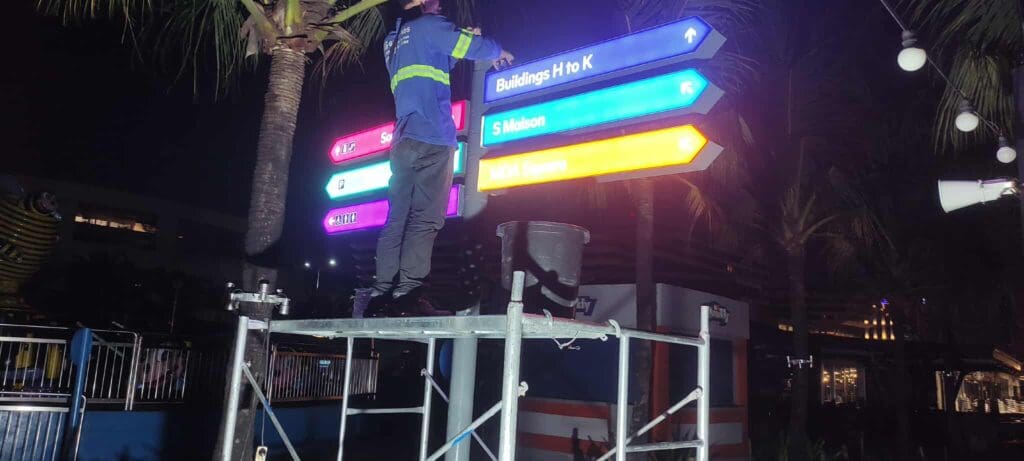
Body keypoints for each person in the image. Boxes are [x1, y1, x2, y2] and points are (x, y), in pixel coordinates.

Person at [363, 0, 514, 317]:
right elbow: (477, 47)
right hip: (433, 136)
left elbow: (436, 66)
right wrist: (498, 51)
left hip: (404, 139)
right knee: (425, 220)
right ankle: (409, 292)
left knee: (396, 219)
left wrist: (458, 46)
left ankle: (380, 293)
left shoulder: (393, 41)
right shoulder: (431, 25)